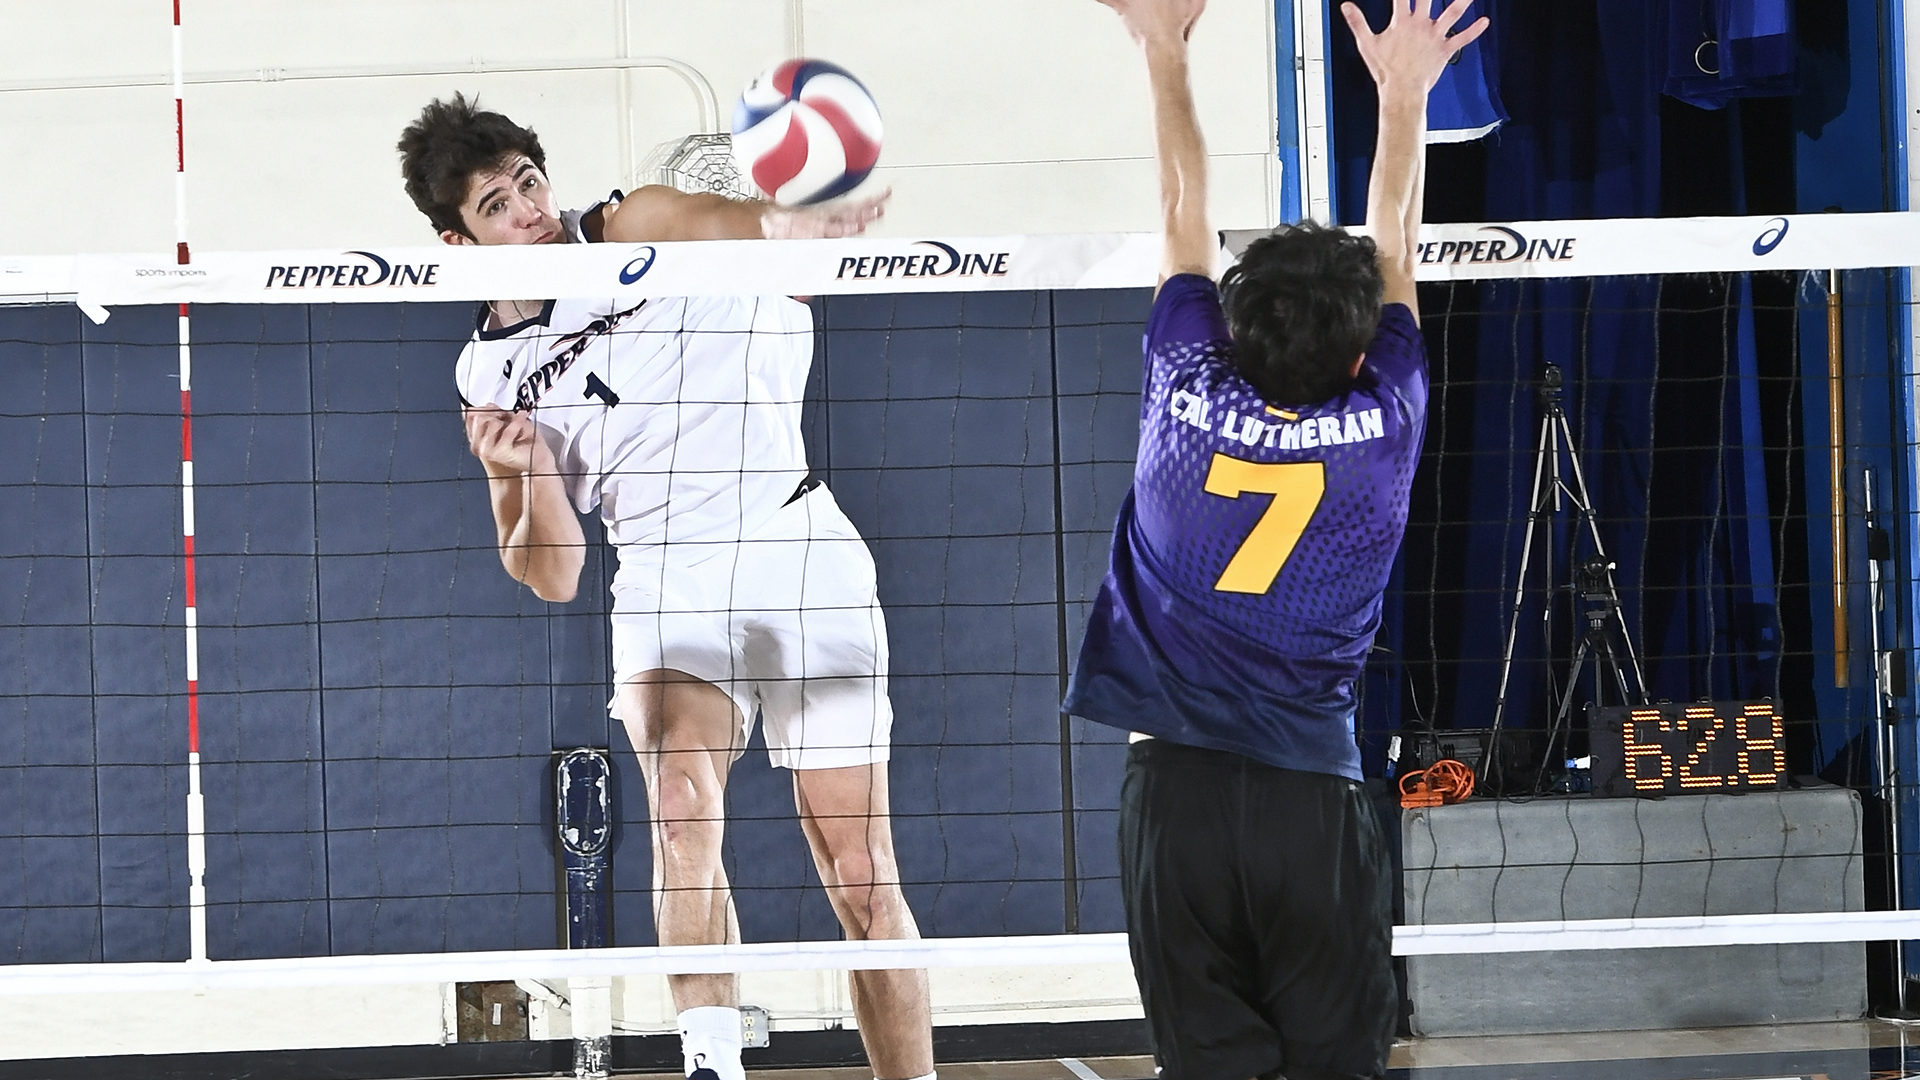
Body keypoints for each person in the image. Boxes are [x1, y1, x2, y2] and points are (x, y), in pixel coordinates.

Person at [397, 94, 934, 1080]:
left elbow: (720, 220)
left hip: (795, 546)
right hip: (663, 576)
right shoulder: (488, 376)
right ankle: (711, 1067)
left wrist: (796, 219)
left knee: (859, 869)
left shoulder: (628, 225)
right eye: (497, 206)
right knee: (682, 812)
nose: (530, 211)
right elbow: (552, 571)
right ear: (457, 242)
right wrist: (530, 473)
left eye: (529, 183)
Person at [1065, 1, 1486, 1078]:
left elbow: (1182, 207)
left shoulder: (1185, 384)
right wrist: (1404, 94)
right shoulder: (1384, 417)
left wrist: (1162, 47)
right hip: (1309, 800)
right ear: (1359, 355)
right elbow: (1395, 245)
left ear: (1234, 329)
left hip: (1176, 803)